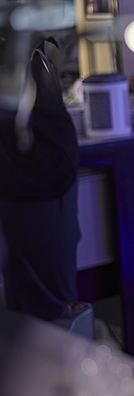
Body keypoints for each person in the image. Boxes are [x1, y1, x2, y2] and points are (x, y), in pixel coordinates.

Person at [0, 30, 82, 323]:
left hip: (38, 177)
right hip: (24, 175)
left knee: (46, 309)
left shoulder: (17, 35)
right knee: (22, 303)